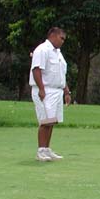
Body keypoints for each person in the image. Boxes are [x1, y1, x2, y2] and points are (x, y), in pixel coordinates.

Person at [30, 27, 71, 162]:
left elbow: (61, 74)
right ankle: (40, 150)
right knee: (45, 121)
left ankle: (47, 149)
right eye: (61, 38)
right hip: (45, 89)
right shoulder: (42, 50)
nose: (63, 41)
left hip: (57, 90)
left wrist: (66, 91)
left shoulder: (58, 53)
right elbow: (37, 70)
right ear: (53, 36)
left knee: (52, 121)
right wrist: (41, 89)